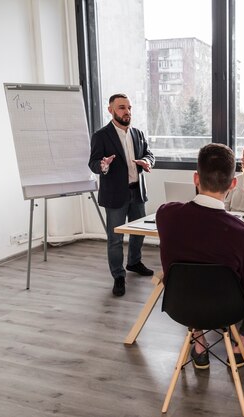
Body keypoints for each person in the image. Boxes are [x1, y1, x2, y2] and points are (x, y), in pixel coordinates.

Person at [157, 143, 244, 370]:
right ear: (233, 184)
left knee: (190, 280)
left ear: (196, 178)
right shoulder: (243, 233)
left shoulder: (166, 214)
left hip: (178, 305)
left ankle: (200, 345)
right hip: (226, 308)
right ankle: (238, 347)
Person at [88, 93, 155, 297]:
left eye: (129, 107)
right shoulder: (101, 136)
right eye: (121, 108)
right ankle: (118, 275)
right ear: (111, 110)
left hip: (137, 191)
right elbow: (93, 163)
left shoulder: (138, 133)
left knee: (139, 232)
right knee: (115, 238)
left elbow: (150, 154)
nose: (127, 112)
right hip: (116, 195)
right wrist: (103, 165)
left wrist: (147, 162)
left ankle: (134, 262)